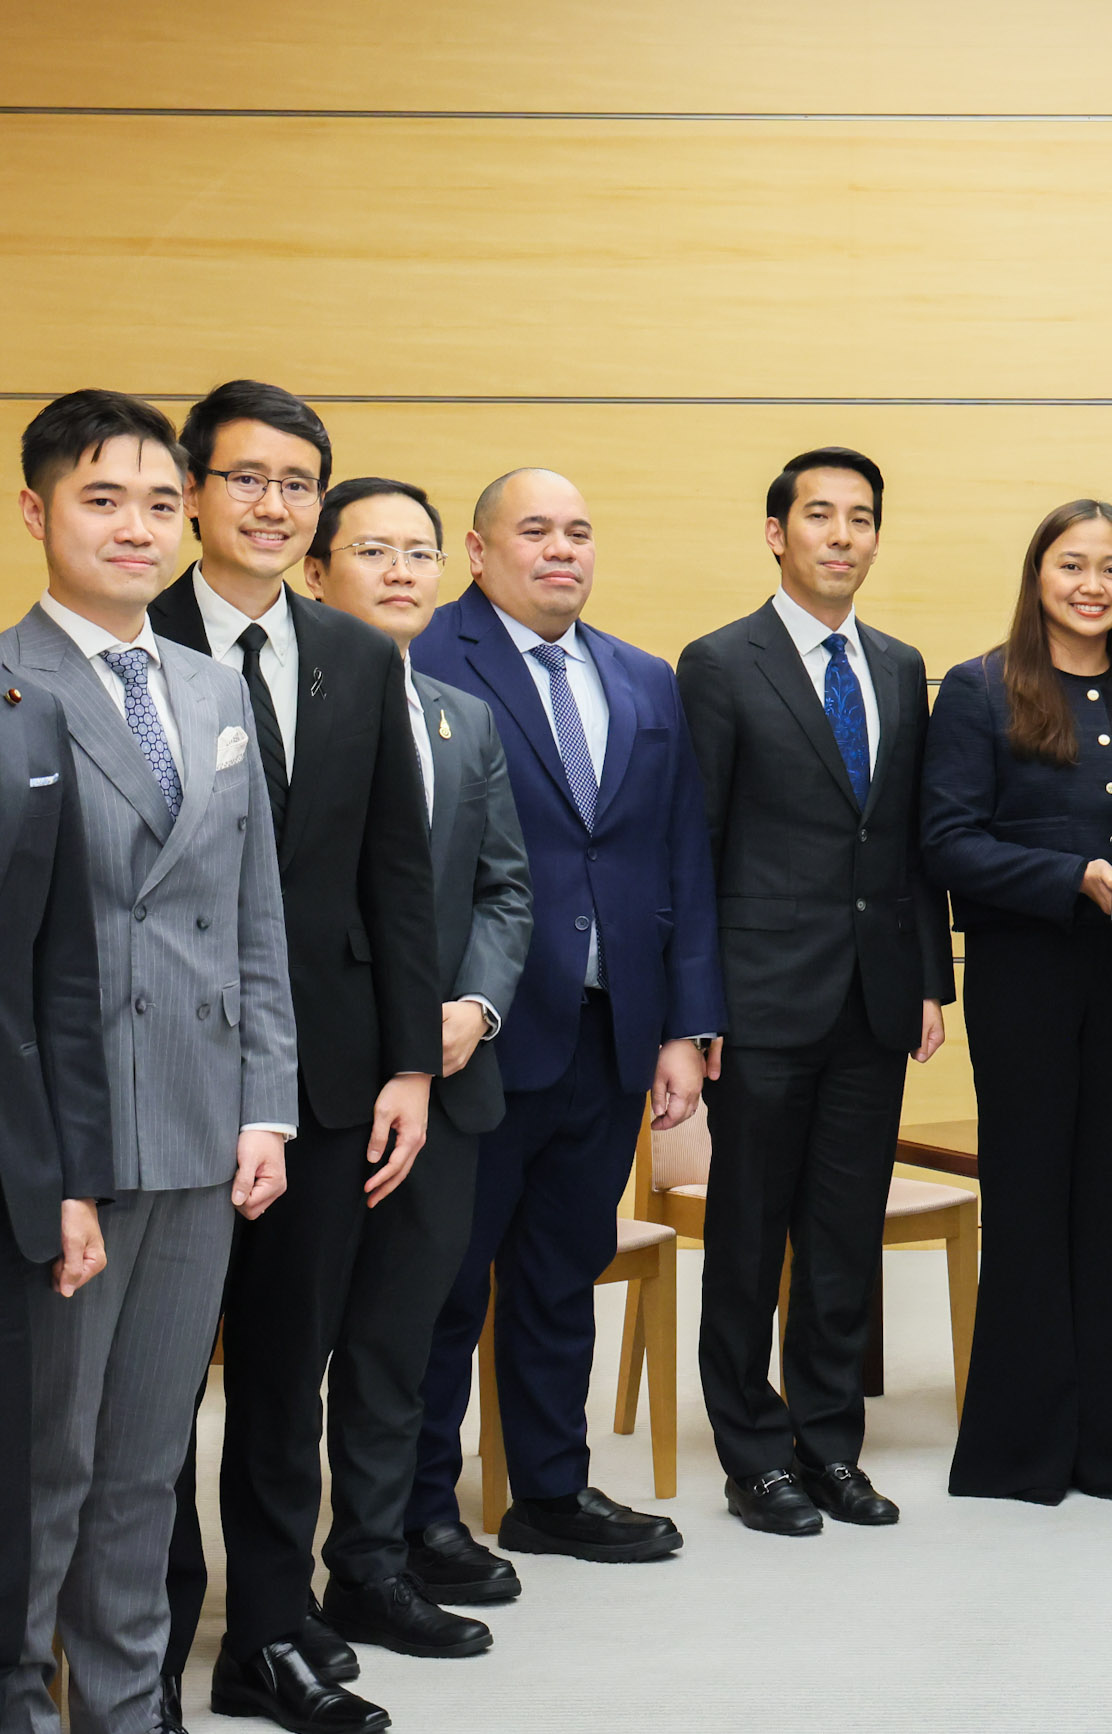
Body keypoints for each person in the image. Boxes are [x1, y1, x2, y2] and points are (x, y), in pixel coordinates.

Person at [0, 391, 298, 1734]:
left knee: (144, 1466)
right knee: (41, 1471)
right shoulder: (11, 685)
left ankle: (125, 1709)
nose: (137, 527)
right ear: (35, 512)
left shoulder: (210, 685)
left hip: (203, 1129)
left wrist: (268, 1105)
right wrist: (48, 1165)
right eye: (102, 499)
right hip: (68, 1145)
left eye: (161, 503)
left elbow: (253, 914)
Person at [147, 383, 443, 1734]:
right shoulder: (131, 637)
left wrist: (408, 1065)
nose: (273, 504)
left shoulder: (355, 656)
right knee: (151, 1389)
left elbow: (397, 876)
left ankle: (266, 1632)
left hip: (324, 1077)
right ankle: (144, 1638)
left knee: (283, 1374)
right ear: (193, 490)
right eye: (246, 478)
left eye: (298, 483)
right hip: (159, 1072)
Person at [405, 469, 725, 1581]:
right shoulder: (427, 656)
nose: (561, 550)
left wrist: (683, 1025)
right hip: (475, 1034)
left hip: (610, 1029)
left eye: (578, 532)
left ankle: (548, 1489)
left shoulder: (641, 677)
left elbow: (677, 855)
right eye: (534, 530)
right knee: (445, 1285)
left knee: (560, 1271)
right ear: (476, 551)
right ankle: (415, 1513)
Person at [678, 448, 950, 1536]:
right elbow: (693, 846)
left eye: (862, 518)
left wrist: (928, 978)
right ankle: (752, 1455)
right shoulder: (719, 662)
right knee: (748, 1237)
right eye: (820, 515)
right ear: (775, 533)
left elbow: (908, 840)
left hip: (874, 998)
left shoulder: (898, 664)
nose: (842, 535)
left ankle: (830, 1444)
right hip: (757, 1001)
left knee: (844, 1237)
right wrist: (695, 1008)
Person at [300, 477, 532, 1659]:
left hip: (446, 1087)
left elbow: (504, 888)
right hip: (319, 1089)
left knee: (400, 1339)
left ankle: (373, 1566)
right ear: (314, 572)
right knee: (291, 1353)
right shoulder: (280, 705)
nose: (401, 572)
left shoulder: (461, 717)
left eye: (419, 552)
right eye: (372, 551)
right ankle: (268, 1594)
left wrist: (474, 1009)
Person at [924, 499, 1112, 1504]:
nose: (1092, 585)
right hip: (1023, 975)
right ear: (1038, 575)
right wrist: (1069, 877)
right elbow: (947, 842)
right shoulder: (979, 687)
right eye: (1071, 564)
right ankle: (1021, 1452)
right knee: (1030, 1197)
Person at [0, 669, 113, 1685]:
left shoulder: (30, 712)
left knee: (13, 1469)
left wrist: (77, 1179)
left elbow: (61, 970)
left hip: (13, 1168)